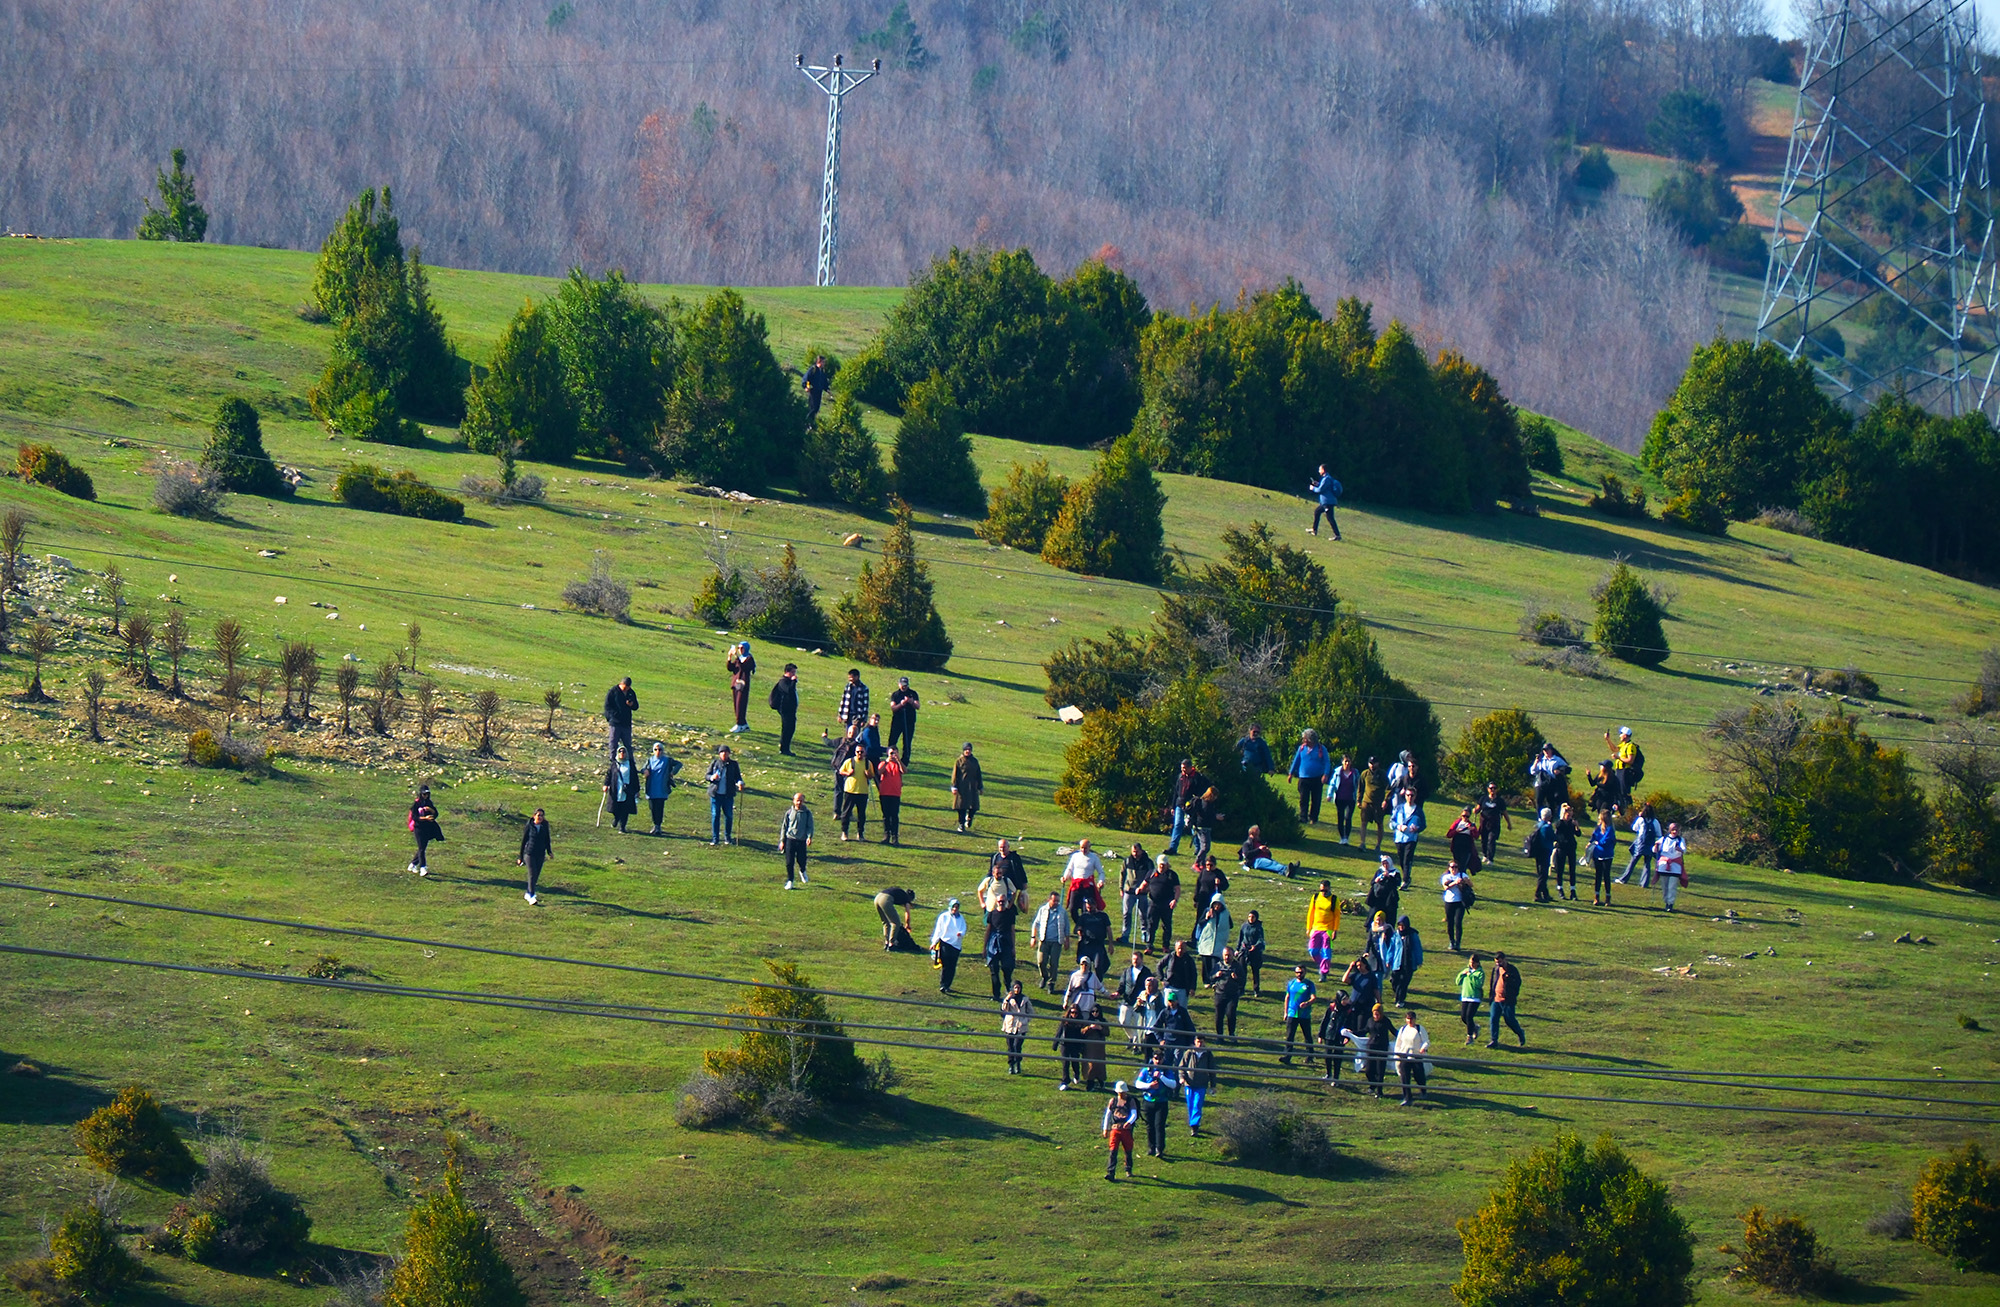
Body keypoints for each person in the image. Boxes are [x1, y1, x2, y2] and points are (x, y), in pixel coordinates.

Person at [1134, 1052, 1179, 1158]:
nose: (1158, 1061)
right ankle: (1151, 1147)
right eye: (1156, 1058)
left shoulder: (1167, 1070)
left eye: (1160, 1058)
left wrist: (1161, 1077)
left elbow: (1173, 1084)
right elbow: (1137, 1084)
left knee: (1159, 1126)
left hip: (1162, 1102)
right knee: (1149, 1126)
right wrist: (1149, 1085)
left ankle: (1160, 1148)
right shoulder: (1146, 1070)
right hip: (1148, 1101)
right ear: (1152, 1058)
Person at [1166, 758, 1208, 854]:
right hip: (1179, 804)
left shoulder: (1197, 778)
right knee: (1178, 825)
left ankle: (1198, 848)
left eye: (1184, 768)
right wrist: (1173, 806)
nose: (1183, 770)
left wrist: (1196, 804)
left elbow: (1200, 792)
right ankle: (1173, 847)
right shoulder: (1180, 777)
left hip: (1191, 806)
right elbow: (1176, 792)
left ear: (1190, 767)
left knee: (1193, 827)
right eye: (1182, 768)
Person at [1031, 892, 1071, 993]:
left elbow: (1067, 927)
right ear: (1049, 900)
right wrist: (1033, 937)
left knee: (1054, 963)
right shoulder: (1043, 910)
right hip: (1044, 940)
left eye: (1058, 901)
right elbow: (1035, 923)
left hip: (1056, 942)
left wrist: (1067, 940)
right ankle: (1044, 976)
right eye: (1054, 900)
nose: (1056, 902)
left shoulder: (1062, 912)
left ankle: (1051, 982)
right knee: (1041, 961)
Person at [1288, 729, 1330, 825]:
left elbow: (1327, 762)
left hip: (1317, 778)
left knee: (1316, 799)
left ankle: (1313, 818)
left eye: (1305, 739)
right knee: (1303, 799)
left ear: (1310, 739)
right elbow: (1296, 760)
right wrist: (1291, 773)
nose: (1303, 740)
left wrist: (1326, 774)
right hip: (1304, 778)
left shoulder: (1321, 749)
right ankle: (1303, 817)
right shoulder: (1301, 748)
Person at [705, 745, 745, 845]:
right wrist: (712, 777)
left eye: (726, 752)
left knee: (729, 816)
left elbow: (738, 777)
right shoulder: (715, 763)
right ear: (719, 754)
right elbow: (707, 775)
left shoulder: (733, 764)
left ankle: (727, 837)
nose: (724, 754)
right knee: (715, 815)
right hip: (715, 794)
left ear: (729, 754)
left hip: (728, 795)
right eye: (722, 752)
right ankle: (715, 838)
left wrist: (740, 782)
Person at [1179, 1035, 1217, 1136]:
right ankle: (1192, 1122)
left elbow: (1212, 1070)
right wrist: (1182, 1077)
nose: (1200, 1044)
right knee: (1190, 1104)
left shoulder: (1208, 1054)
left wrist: (1213, 1085)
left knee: (1197, 1104)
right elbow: (1182, 1067)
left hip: (1201, 1084)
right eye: (1198, 1042)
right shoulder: (1189, 1053)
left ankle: (1194, 1126)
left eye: (1202, 1042)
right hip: (1189, 1083)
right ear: (1195, 1042)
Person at [1618, 802, 1662, 888]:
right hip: (1650, 844)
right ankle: (1644, 883)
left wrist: (1639, 816)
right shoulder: (1655, 821)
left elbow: (1634, 828)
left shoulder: (1641, 820)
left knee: (1633, 861)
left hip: (1640, 844)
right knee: (1647, 863)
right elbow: (1659, 834)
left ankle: (1624, 879)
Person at [1319, 987, 1358, 1084]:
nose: (1346, 1001)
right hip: (1330, 1034)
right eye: (1344, 999)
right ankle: (1328, 1074)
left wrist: (1347, 1036)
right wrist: (1321, 1035)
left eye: (1347, 999)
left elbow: (1351, 1024)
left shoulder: (1349, 1010)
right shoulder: (1332, 1008)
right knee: (1328, 1055)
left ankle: (1336, 1078)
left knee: (1338, 1057)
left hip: (1340, 1036)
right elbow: (1325, 1022)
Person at [1486, 950, 1525, 1048]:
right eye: (1497, 962)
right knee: (1494, 1019)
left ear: (1505, 959)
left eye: (1500, 962)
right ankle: (1494, 1040)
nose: (1498, 964)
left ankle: (1520, 1033)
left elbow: (1517, 984)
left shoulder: (1512, 970)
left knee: (1510, 1020)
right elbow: (1492, 983)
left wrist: (1509, 980)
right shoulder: (1496, 970)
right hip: (1496, 999)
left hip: (1507, 1001)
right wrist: (1491, 996)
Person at [1384, 914, 1424, 1006]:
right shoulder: (1396, 935)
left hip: (1408, 963)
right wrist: (1388, 960)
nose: (1401, 927)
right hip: (1397, 962)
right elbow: (1392, 948)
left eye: (1403, 925)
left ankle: (1400, 1000)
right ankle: (1398, 995)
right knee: (1395, 982)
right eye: (1399, 925)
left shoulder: (1413, 934)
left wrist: (1419, 960)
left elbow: (1417, 948)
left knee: (1403, 982)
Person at [1305, 879, 1342, 979]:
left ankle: (1324, 972)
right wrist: (1308, 927)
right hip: (1316, 927)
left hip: (1328, 929)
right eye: (1321, 890)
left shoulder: (1334, 899)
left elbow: (1337, 916)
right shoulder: (1315, 897)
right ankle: (1322, 965)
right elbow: (1310, 913)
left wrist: (1335, 930)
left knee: (1326, 951)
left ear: (1329, 888)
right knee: (1312, 950)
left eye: (1325, 890)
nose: (1323, 893)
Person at [1142, 855, 1180, 953]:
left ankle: (1166, 945)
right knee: (1151, 925)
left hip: (1166, 904)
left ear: (1167, 865)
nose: (1161, 867)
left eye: (1163, 865)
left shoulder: (1172, 875)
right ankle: (1149, 946)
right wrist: (1139, 889)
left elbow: (1177, 889)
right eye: (1160, 865)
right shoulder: (1151, 873)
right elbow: (1144, 883)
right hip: (1154, 903)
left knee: (1166, 925)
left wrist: (1175, 900)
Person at [984, 893, 1019, 1001]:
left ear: (1006, 902)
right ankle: (996, 994)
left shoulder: (1010, 914)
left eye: (1003, 901)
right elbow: (988, 930)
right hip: (993, 944)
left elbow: (1012, 931)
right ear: (996, 902)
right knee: (994, 970)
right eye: (999, 901)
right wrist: (984, 947)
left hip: (1006, 942)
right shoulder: (991, 914)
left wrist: (1013, 947)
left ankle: (1008, 987)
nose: (1001, 903)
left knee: (1007, 968)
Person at [1280, 964, 1317, 1064]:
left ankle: (1310, 1056)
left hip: (1304, 1014)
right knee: (1289, 1036)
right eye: (1297, 972)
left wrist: (1307, 1003)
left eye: (1301, 972)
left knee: (1307, 1036)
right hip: (1292, 1013)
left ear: (1305, 972)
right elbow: (1287, 997)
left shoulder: (1309, 984)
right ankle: (1287, 1056)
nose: (1299, 974)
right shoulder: (1291, 983)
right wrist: (1285, 1012)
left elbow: (1314, 998)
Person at [1393, 1009, 1431, 1105]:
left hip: (1416, 1056)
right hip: (1404, 1056)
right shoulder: (1403, 1029)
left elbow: (1426, 1041)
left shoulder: (1419, 1029)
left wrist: (1423, 1048)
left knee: (1419, 1075)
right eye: (1408, 1019)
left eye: (1411, 1019)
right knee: (1404, 1077)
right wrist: (1397, 1053)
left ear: (1415, 1019)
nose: (1410, 1021)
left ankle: (1423, 1090)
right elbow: (1398, 1043)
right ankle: (1407, 1097)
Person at [1103, 1082, 1140, 1179]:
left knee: (1128, 1150)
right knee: (1113, 1150)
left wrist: (1129, 1122)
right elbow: (1108, 1115)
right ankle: (1111, 1172)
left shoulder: (1130, 1101)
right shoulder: (1113, 1101)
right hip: (1115, 1129)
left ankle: (1128, 1169)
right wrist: (1105, 1128)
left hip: (1126, 1130)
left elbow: (1134, 1113)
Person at [642, 742, 680, 835]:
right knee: (652, 808)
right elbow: (643, 769)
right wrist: (645, 771)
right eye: (655, 749)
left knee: (659, 807)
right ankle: (655, 825)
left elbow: (679, 764)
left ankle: (658, 826)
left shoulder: (667, 760)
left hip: (662, 789)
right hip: (651, 788)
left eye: (660, 749)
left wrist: (672, 772)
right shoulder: (650, 760)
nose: (658, 751)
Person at [1194, 894, 1233, 984]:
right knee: (1206, 963)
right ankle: (1206, 981)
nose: (1217, 906)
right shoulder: (1207, 911)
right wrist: (1207, 918)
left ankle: (1214, 981)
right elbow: (1200, 923)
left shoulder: (1226, 913)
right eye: (1215, 904)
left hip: (1219, 942)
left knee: (1215, 963)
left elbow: (1230, 925)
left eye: (1218, 904)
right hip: (1207, 941)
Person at [1117, 843, 1151, 946]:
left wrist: (1148, 887)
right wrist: (1121, 888)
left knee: (1143, 914)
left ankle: (1145, 933)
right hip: (1129, 890)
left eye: (1136, 851)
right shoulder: (1127, 861)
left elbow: (1151, 875)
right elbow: (1122, 874)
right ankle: (1125, 935)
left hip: (1142, 892)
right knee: (1126, 914)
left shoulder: (1147, 862)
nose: (1135, 854)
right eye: (1133, 851)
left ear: (1141, 851)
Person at [930, 899, 967, 992]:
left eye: (957, 907)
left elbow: (963, 928)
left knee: (952, 965)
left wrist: (960, 933)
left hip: (956, 945)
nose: (955, 909)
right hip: (945, 943)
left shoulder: (961, 918)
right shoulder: (944, 917)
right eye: (953, 907)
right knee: (945, 964)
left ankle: (948, 984)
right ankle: (943, 984)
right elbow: (938, 930)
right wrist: (934, 942)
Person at [1115, 952, 1154, 1040]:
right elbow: (1122, 985)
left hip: (1139, 1003)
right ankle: (1132, 1037)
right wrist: (1118, 993)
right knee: (1123, 1021)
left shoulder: (1146, 972)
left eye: (1137, 959)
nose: (1135, 961)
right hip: (1127, 1001)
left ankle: (1136, 1045)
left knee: (1138, 1024)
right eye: (1133, 959)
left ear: (1141, 959)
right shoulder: (1127, 971)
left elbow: (1150, 987)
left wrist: (1144, 997)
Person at [1604, 725, 1643, 814]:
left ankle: (1627, 811)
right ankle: (1620, 811)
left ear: (1626, 735)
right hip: (1619, 770)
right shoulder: (1623, 745)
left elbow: (1630, 761)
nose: (1620, 736)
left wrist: (1618, 757)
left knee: (1624, 792)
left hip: (1625, 772)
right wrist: (1608, 740)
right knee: (1618, 791)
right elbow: (1614, 749)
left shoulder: (1630, 746)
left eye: (1621, 734)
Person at [602, 746, 640, 835]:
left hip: (627, 790)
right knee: (615, 807)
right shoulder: (614, 764)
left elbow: (635, 778)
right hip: (616, 789)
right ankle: (616, 818)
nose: (622, 754)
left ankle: (622, 827)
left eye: (624, 752)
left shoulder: (630, 764)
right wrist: (606, 784)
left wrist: (637, 790)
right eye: (620, 752)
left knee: (625, 809)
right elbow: (609, 775)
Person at [1358, 1002, 1394, 1098]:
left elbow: (1394, 1031)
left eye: (1377, 1014)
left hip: (1382, 1048)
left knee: (1380, 1070)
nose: (1376, 1016)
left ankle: (1379, 1091)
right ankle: (1372, 1084)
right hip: (1371, 1047)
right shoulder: (1370, 1020)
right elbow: (1365, 1030)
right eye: (1374, 1014)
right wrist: (1352, 1032)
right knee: (1369, 1070)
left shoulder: (1386, 1021)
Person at [517, 807, 551, 904]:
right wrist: (520, 857)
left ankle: (528, 893)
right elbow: (524, 841)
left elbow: (547, 839)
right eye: (538, 815)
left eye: (542, 815)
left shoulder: (544, 826)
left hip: (540, 854)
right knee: (532, 874)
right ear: (534, 816)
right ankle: (531, 896)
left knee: (536, 875)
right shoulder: (529, 826)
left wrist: (549, 851)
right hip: (529, 853)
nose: (540, 817)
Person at [837, 748, 873, 841]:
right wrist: (848, 773)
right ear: (855, 752)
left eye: (861, 752)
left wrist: (868, 774)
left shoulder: (868, 763)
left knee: (861, 814)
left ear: (865, 752)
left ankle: (860, 834)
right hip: (850, 791)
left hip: (863, 791)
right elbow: (841, 771)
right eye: (858, 752)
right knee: (846, 813)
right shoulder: (849, 761)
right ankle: (844, 832)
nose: (859, 753)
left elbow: (871, 775)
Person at [780, 792, 814, 889]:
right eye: (797, 800)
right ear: (793, 801)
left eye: (801, 800)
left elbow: (810, 826)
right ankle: (790, 880)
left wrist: (809, 837)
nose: (799, 802)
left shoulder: (807, 813)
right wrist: (782, 841)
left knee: (801, 860)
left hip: (801, 840)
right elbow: (784, 827)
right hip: (790, 839)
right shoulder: (789, 812)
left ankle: (802, 871)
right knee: (789, 862)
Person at [1210, 946, 1245, 1038]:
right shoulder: (1218, 965)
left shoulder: (1237, 966)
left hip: (1232, 994)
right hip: (1220, 993)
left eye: (1229, 955)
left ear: (1233, 955)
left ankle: (1231, 1034)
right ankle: (1219, 1035)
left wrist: (1237, 978)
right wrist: (1216, 975)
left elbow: (1243, 980)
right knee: (1219, 1016)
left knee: (1231, 1014)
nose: (1227, 957)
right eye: (1225, 955)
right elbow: (1210, 977)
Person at [1063, 838, 1105, 915]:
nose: (1083, 850)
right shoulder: (1075, 856)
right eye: (1081, 847)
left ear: (1089, 847)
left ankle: (1085, 924)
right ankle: (1079, 924)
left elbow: (1101, 872)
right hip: (1076, 885)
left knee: (1086, 909)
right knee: (1072, 908)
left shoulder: (1094, 858)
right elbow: (1069, 869)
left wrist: (1101, 881)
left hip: (1087, 886)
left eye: (1085, 848)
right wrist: (1065, 877)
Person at [408, 786, 443, 875]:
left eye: (427, 794)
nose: (426, 796)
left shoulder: (429, 803)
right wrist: (425, 818)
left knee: (422, 848)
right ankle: (423, 868)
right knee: (421, 848)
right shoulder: (416, 804)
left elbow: (436, 814)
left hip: (427, 828)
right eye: (424, 794)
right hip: (418, 828)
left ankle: (413, 864)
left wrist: (430, 810)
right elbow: (415, 817)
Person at [1074, 897, 1113, 978]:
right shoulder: (1084, 917)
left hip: (1098, 945)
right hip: (1086, 945)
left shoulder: (1103, 916)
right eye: (1087, 906)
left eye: (1090, 906)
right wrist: (1079, 931)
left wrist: (1110, 944)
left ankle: (1098, 983)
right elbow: (1078, 928)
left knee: (1098, 966)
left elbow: (1108, 929)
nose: (1089, 908)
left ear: (1095, 905)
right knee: (1086, 966)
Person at [1529, 742, 1570, 819]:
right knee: (1539, 801)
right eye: (1544, 750)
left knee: (1550, 802)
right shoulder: (1541, 760)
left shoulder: (1557, 759)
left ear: (1551, 750)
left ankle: (1549, 819)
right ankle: (1540, 818)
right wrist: (1536, 762)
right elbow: (1532, 771)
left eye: (1547, 750)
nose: (1546, 752)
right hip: (1541, 783)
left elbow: (1566, 768)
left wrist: (1559, 771)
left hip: (1551, 784)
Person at [1127, 975, 1166, 1052]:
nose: (1148, 988)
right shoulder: (1142, 994)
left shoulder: (1160, 995)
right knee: (1147, 1052)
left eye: (1150, 986)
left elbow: (1162, 1009)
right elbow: (1135, 1009)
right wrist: (1139, 1004)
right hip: (1146, 1027)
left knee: (1161, 1050)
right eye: (1146, 986)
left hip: (1157, 1027)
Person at [602, 676, 637, 759]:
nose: (626, 690)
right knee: (613, 743)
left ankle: (630, 763)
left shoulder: (631, 693)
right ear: (621, 684)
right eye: (624, 688)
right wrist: (611, 717)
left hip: (626, 724)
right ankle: (613, 762)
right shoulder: (613, 692)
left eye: (628, 688)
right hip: (615, 723)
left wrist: (632, 705)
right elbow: (607, 706)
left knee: (628, 745)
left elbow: (636, 706)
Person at [950, 742, 983, 833]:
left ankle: (969, 818)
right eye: (966, 749)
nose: (967, 751)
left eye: (969, 749)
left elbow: (978, 774)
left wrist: (980, 787)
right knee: (961, 807)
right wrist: (954, 786)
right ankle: (961, 824)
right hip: (962, 788)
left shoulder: (975, 761)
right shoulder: (959, 761)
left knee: (974, 806)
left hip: (973, 787)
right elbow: (955, 774)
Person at [1359, 757, 1390, 853]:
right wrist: (1359, 800)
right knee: (1364, 823)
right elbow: (1360, 787)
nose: (1372, 765)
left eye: (1374, 763)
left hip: (1378, 804)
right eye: (1370, 763)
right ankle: (1362, 843)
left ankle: (1378, 845)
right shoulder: (1365, 774)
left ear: (1378, 763)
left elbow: (1388, 788)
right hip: (1366, 802)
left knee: (1379, 824)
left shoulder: (1383, 774)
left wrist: (1386, 800)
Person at [1001, 981, 1033, 1074]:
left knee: (1017, 1046)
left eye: (1018, 988)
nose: (1017, 990)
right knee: (1010, 1047)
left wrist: (1026, 1020)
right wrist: (1007, 999)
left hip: (1021, 1026)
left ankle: (1018, 1064)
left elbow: (1031, 1012)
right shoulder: (1010, 999)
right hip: (1010, 1026)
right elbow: (1004, 1009)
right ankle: (1011, 1065)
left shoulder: (1025, 999)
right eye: (1015, 988)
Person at [1441, 861, 1473, 952]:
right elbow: (1445, 887)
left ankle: (1458, 942)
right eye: (1452, 867)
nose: (1454, 869)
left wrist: (1466, 881)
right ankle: (1451, 941)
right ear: (1449, 868)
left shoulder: (1462, 875)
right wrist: (1455, 882)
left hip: (1460, 902)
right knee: (1450, 922)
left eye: (1456, 867)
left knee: (1458, 922)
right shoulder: (1446, 877)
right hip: (1449, 901)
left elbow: (1471, 885)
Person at [769, 663, 800, 755]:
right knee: (787, 729)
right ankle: (784, 749)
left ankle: (786, 748)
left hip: (791, 710)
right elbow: (789, 691)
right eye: (793, 672)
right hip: (785, 710)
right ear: (787, 672)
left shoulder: (788, 682)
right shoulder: (783, 682)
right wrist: (793, 682)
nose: (794, 675)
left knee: (791, 728)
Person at [875, 748, 905, 845]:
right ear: (888, 754)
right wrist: (887, 762)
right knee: (886, 816)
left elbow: (904, 771)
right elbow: (879, 772)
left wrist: (899, 760)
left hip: (895, 793)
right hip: (884, 793)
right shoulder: (883, 763)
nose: (893, 755)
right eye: (891, 753)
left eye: (895, 753)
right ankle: (886, 835)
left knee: (895, 816)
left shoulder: (898, 764)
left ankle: (895, 837)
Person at [1588, 810, 1618, 905]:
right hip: (1597, 854)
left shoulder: (1610, 829)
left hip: (1607, 855)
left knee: (1606, 876)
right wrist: (1590, 843)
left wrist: (1597, 842)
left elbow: (1605, 841)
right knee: (1598, 875)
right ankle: (1596, 896)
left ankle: (1608, 897)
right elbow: (1593, 837)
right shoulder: (1598, 828)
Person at [1055, 1004, 1088, 1090]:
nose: (1074, 1014)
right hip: (1065, 1043)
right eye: (1072, 1012)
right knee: (1065, 1063)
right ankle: (1065, 1080)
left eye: (1076, 1013)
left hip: (1075, 1044)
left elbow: (1083, 1035)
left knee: (1075, 1061)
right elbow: (1059, 1031)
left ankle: (1076, 1075)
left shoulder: (1081, 1022)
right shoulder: (1065, 1020)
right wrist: (1055, 1043)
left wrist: (1082, 1046)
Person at [1552, 802, 1581, 901]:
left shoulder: (1572, 823)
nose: (1569, 815)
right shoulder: (1560, 823)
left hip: (1571, 847)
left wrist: (1577, 826)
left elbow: (1578, 834)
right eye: (1567, 813)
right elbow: (1556, 832)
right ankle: (1560, 888)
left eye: (1570, 812)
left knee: (1572, 869)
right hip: (1562, 847)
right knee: (1560, 869)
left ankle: (1573, 890)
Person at [987, 839, 1028, 908]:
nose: (1002, 849)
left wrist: (1024, 883)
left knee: (1009, 904)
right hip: (998, 885)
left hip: (1010, 886)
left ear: (1008, 847)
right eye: (1000, 847)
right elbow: (991, 870)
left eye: (1004, 847)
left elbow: (1021, 870)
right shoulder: (995, 857)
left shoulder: (1014, 858)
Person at [1526, 807, 1555, 904]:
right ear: (1549, 816)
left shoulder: (1538, 825)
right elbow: (1553, 837)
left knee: (1541, 872)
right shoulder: (1547, 827)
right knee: (1543, 874)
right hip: (1545, 851)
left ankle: (1545, 893)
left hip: (1537, 851)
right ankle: (1538, 894)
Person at [1476, 782, 1510, 863]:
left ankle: (1490, 858)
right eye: (1491, 788)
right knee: (1484, 840)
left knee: (1491, 840)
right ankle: (1485, 855)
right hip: (1484, 822)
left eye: (1494, 788)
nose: (1493, 790)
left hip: (1494, 824)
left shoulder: (1500, 801)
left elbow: (1504, 813)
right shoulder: (1483, 798)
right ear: (1488, 789)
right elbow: (1478, 808)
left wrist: (1509, 823)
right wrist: (1475, 810)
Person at [1657, 821, 1688, 911]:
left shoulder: (1680, 840)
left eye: (1676, 830)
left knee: (1672, 886)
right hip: (1664, 866)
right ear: (1670, 830)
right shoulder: (1663, 839)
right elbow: (1656, 849)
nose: (1674, 832)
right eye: (1673, 830)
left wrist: (1680, 850)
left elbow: (1684, 850)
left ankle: (1670, 903)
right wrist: (1655, 846)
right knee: (1665, 886)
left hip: (1675, 866)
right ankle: (1666, 901)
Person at [1456, 953, 1486, 1045]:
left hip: (1475, 998)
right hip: (1465, 996)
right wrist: (1462, 974)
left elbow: (1478, 984)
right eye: (1470, 962)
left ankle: (1469, 1037)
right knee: (1464, 1017)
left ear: (1477, 963)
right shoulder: (1466, 970)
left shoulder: (1480, 973)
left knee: (1469, 1016)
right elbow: (1457, 982)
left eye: (1473, 963)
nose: (1471, 964)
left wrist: (1470, 976)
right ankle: (1474, 1027)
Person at [887, 676, 919, 763]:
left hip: (909, 721)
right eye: (902, 685)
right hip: (897, 721)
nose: (903, 687)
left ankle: (905, 761)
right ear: (899, 684)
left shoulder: (913, 694)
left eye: (905, 685)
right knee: (892, 740)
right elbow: (893, 707)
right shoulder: (895, 695)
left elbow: (918, 706)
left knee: (907, 742)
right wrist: (901, 704)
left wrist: (911, 702)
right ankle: (890, 758)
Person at [1308, 463, 1343, 539]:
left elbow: (1320, 490)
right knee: (1318, 512)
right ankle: (1314, 530)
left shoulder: (1326, 479)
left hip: (1327, 502)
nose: (1319, 471)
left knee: (1330, 518)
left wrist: (1313, 488)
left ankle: (1337, 535)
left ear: (1323, 470)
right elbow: (1324, 487)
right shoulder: (1327, 478)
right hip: (1328, 502)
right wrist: (1318, 484)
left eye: (1320, 469)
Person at [1330, 753, 1360, 844]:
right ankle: (1342, 837)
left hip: (1351, 799)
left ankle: (1346, 837)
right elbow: (1332, 784)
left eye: (1349, 761)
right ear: (1342, 762)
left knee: (1348, 817)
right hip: (1340, 798)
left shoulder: (1355, 773)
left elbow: (1358, 784)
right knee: (1340, 817)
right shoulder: (1338, 772)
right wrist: (1329, 794)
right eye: (1345, 761)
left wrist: (1359, 797)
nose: (1347, 763)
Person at [726, 642, 755, 733]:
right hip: (736, 683)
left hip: (743, 684)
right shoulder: (739, 659)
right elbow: (731, 668)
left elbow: (744, 668)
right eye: (739, 648)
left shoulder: (749, 658)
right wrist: (730, 657)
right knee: (736, 704)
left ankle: (740, 724)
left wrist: (737, 657)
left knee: (741, 704)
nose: (740, 650)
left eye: (742, 648)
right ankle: (743, 724)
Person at [1191, 853, 1230, 921]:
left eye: (1210, 865)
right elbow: (1198, 885)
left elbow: (1226, 886)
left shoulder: (1218, 873)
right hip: (1202, 898)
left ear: (1215, 865)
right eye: (1207, 865)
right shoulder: (1203, 872)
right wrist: (1196, 899)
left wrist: (1220, 883)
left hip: (1213, 900)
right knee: (1200, 919)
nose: (1209, 867)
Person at [1079, 1009, 1110, 1091]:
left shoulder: (1103, 1021)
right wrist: (1089, 1027)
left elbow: (1107, 1033)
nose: (1095, 1013)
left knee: (1100, 1065)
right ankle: (1090, 1083)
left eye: (1097, 1011)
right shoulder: (1088, 1021)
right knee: (1090, 1066)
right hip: (1089, 1048)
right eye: (1093, 1011)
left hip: (1100, 1048)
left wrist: (1100, 1028)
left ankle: (1101, 1081)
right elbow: (1082, 1032)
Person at [1236, 910, 1266, 996]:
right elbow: (1240, 938)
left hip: (1255, 952)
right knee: (1242, 971)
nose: (1250, 919)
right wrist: (1237, 949)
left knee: (1255, 971)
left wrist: (1255, 946)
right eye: (1249, 917)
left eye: (1253, 917)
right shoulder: (1244, 926)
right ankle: (1241, 989)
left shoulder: (1258, 927)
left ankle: (1256, 989)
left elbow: (1261, 939)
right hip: (1244, 950)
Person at [1366, 856, 1401, 928]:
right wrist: (1376, 880)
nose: (1385, 865)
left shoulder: (1395, 872)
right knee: (1375, 912)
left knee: (1389, 915)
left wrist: (1389, 877)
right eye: (1383, 863)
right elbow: (1372, 882)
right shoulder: (1379, 871)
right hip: (1378, 897)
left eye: (1387, 863)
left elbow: (1397, 883)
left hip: (1389, 898)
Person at [1345, 952, 1382, 1016]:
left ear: (1365, 965)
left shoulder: (1371, 976)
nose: (1359, 967)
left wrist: (1379, 1001)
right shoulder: (1356, 975)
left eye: (1360, 965)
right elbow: (1344, 980)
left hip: (1366, 1005)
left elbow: (1375, 990)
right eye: (1357, 966)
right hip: (1354, 1004)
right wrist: (1350, 968)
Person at [1447, 806, 1481, 874]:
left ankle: (1463, 879)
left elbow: (1476, 836)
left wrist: (1473, 830)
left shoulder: (1471, 825)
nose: (1465, 818)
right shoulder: (1457, 823)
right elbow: (1449, 835)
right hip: (1456, 846)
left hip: (1466, 847)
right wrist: (1456, 831)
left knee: (1463, 865)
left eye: (1467, 816)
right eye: (1463, 816)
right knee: (1457, 864)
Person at [802, 353, 831, 422]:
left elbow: (824, 382)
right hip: (813, 391)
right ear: (819, 361)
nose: (824, 364)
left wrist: (827, 389)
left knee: (817, 408)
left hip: (819, 391)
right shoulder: (813, 369)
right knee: (813, 408)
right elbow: (806, 379)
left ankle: (811, 422)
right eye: (823, 362)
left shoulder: (822, 371)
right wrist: (806, 387)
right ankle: (806, 421)